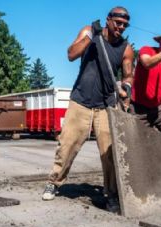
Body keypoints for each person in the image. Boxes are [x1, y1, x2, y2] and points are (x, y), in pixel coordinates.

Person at [41, 6, 134, 214]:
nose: (121, 28)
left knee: (110, 153)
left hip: (106, 105)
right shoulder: (89, 32)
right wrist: (91, 35)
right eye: (118, 23)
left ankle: (111, 194)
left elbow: (128, 74)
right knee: (66, 146)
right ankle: (53, 183)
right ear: (108, 19)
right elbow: (71, 54)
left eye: (125, 25)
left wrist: (125, 87)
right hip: (80, 101)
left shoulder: (126, 48)